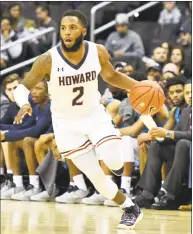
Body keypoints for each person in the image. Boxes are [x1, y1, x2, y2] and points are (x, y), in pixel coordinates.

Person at [13, 10, 144, 229]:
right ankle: (130, 208)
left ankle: (116, 162)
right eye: (63, 28)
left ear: (83, 30)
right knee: (96, 177)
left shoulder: (98, 51)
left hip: (94, 115)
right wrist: (24, 103)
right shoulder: (48, 59)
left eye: (72, 27)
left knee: (113, 162)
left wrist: (139, 87)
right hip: (66, 125)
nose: (67, 32)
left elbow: (112, 76)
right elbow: (21, 87)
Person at [134, 80, 192, 210]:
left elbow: (178, 134)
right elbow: (174, 133)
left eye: (191, 92)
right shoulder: (186, 111)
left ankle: (169, 193)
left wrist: (168, 133)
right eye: (187, 93)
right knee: (156, 145)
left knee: (182, 143)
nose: (190, 96)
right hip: (183, 152)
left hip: (187, 151)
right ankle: (147, 193)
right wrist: (156, 137)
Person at [0, 80, 52, 200]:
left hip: (52, 140)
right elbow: (23, 127)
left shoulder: (49, 107)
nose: (33, 92)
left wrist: (5, 136)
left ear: (47, 93)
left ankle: (36, 185)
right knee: (15, 141)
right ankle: (18, 185)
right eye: (32, 88)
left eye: (38, 88)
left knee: (27, 140)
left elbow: (35, 131)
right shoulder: (38, 106)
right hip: (40, 141)